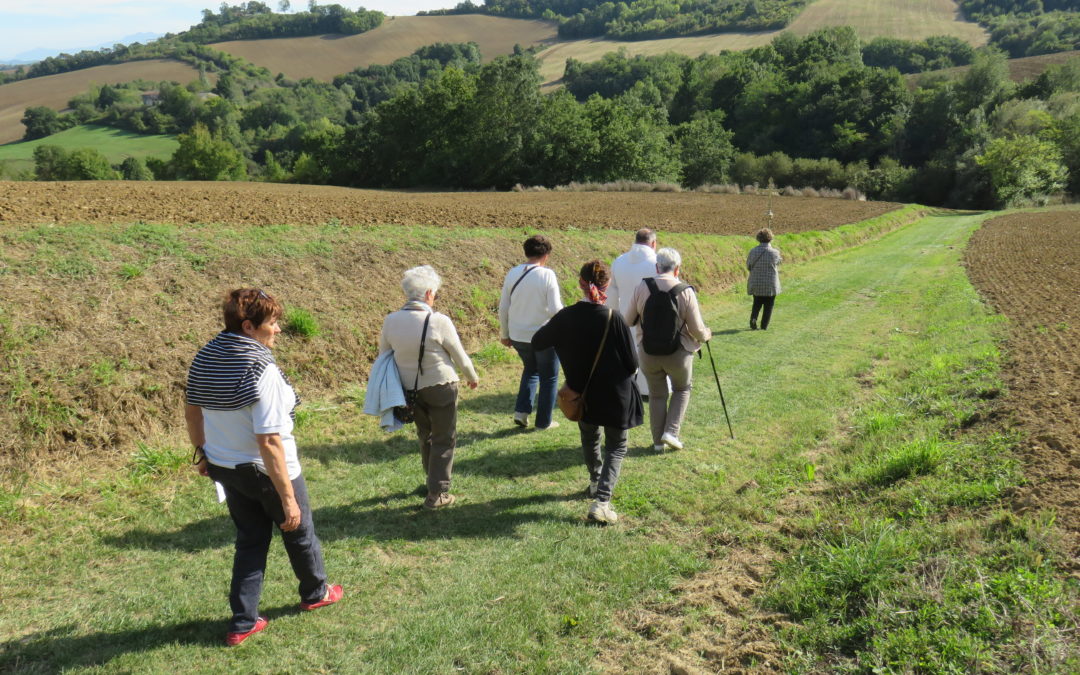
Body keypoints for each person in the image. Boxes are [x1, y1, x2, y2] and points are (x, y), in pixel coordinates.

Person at [185, 288, 341, 647]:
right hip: (266, 469)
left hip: (226, 466)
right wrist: (288, 499)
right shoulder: (261, 369)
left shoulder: (205, 356)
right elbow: (269, 440)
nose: (278, 330)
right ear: (249, 326)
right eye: (272, 323)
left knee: (251, 541)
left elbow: (193, 410)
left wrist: (204, 453)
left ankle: (243, 621)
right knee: (299, 531)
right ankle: (316, 592)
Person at [532, 260, 643, 525]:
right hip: (616, 394)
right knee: (616, 446)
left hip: (582, 393)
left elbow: (538, 341)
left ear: (581, 284)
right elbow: (632, 363)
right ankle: (602, 501)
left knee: (590, 437)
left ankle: (595, 481)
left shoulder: (565, 317)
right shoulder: (612, 317)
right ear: (606, 286)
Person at [380, 265, 479, 510]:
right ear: (428, 294)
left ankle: (431, 481)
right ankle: (437, 493)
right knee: (444, 438)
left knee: (426, 436)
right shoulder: (438, 320)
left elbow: (384, 356)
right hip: (441, 385)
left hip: (408, 390)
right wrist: (471, 376)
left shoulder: (390, 321)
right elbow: (460, 356)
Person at [625, 248, 712, 452]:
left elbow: (628, 319)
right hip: (678, 353)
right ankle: (671, 432)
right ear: (678, 269)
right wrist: (707, 335)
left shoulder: (642, 286)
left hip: (648, 352)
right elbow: (696, 330)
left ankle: (657, 443)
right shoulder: (685, 291)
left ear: (657, 266)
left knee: (657, 395)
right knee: (682, 389)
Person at [498, 235, 563, 430]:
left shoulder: (512, 273)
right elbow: (555, 310)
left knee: (530, 370)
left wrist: (505, 333)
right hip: (543, 336)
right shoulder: (547, 275)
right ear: (546, 255)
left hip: (518, 335)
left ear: (526, 253)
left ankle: (521, 412)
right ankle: (544, 422)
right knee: (549, 377)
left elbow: (503, 307)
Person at [607, 228, 658, 396]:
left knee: (627, 351)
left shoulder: (619, 261)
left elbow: (612, 293)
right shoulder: (657, 263)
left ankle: (626, 384)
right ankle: (646, 389)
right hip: (652, 316)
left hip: (625, 315)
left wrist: (613, 314)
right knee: (648, 350)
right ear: (653, 244)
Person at [747, 228, 782, 330]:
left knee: (756, 303)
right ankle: (764, 326)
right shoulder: (775, 252)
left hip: (756, 282)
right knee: (768, 306)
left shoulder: (753, 251)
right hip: (770, 284)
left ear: (758, 238)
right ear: (770, 238)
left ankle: (753, 318)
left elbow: (748, 266)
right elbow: (778, 262)